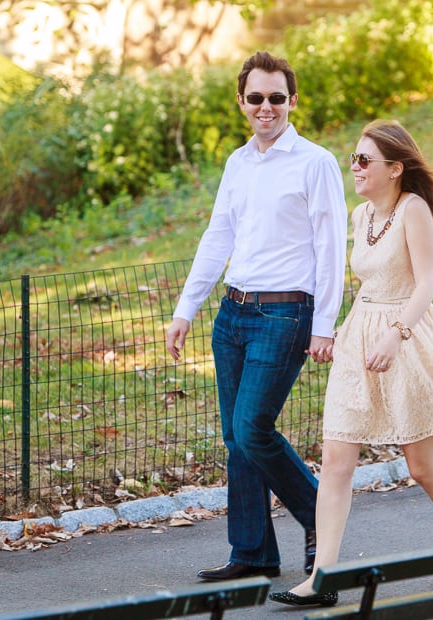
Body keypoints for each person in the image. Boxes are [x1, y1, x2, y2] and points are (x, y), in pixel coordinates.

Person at [269, 119, 433, 607]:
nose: (355, 167)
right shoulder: (360, 215)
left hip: (407, 337)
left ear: (395, 169)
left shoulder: (414, 210)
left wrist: (397, 335)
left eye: (364, 160)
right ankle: (322, 577)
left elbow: (426, 283)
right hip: (361, 335)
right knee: (335, 461)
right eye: (353, 157)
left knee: (421, 465)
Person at [165, 51, 348, 581]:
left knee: (252, 428)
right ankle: (252, 554)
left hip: (286, 315)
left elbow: (331, 247)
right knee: (234, 436)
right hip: (233, 313)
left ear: (292, 101)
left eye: (276, 98)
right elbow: (217, 234)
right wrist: (186, 309)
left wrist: (325, 325)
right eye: (255, 98)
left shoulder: (315, 162)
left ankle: (320, 517)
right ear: (241, 102)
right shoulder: (237, 163)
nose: (265, 107)